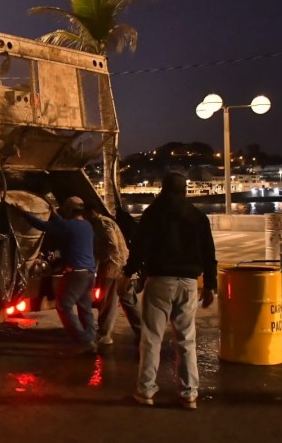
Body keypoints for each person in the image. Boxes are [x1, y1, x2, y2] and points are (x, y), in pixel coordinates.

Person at [123, 172, 217, 410]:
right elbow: (209, 254)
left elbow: (139, 248)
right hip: (188, 284)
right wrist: (211, 285)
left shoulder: (153, 213)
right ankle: (188, 394)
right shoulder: (198, 216)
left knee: (151, 338)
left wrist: (128, 273)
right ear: (184, 190)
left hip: (159, 282)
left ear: (162, 189)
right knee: (186, 339)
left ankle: (145, 390)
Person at [21, 196, 98, 353]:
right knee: (85, 307)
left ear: (69, 211)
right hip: (89, 273)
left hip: (75, 273)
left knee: (63, 305)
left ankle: (83, 340)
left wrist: (23, 212)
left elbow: (41, 225)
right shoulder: (87, 225)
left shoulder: (68, 225)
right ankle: (91, 338)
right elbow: (68, 234)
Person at [86, 208, 141, 345]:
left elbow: (111, 245)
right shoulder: (103, 222)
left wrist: (101, 264)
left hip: (113, 268)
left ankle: (104, 335)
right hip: (122, 266)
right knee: (129, 302)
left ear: (90, 212)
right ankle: (143, 332)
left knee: (108, 302)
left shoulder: (102, 224)